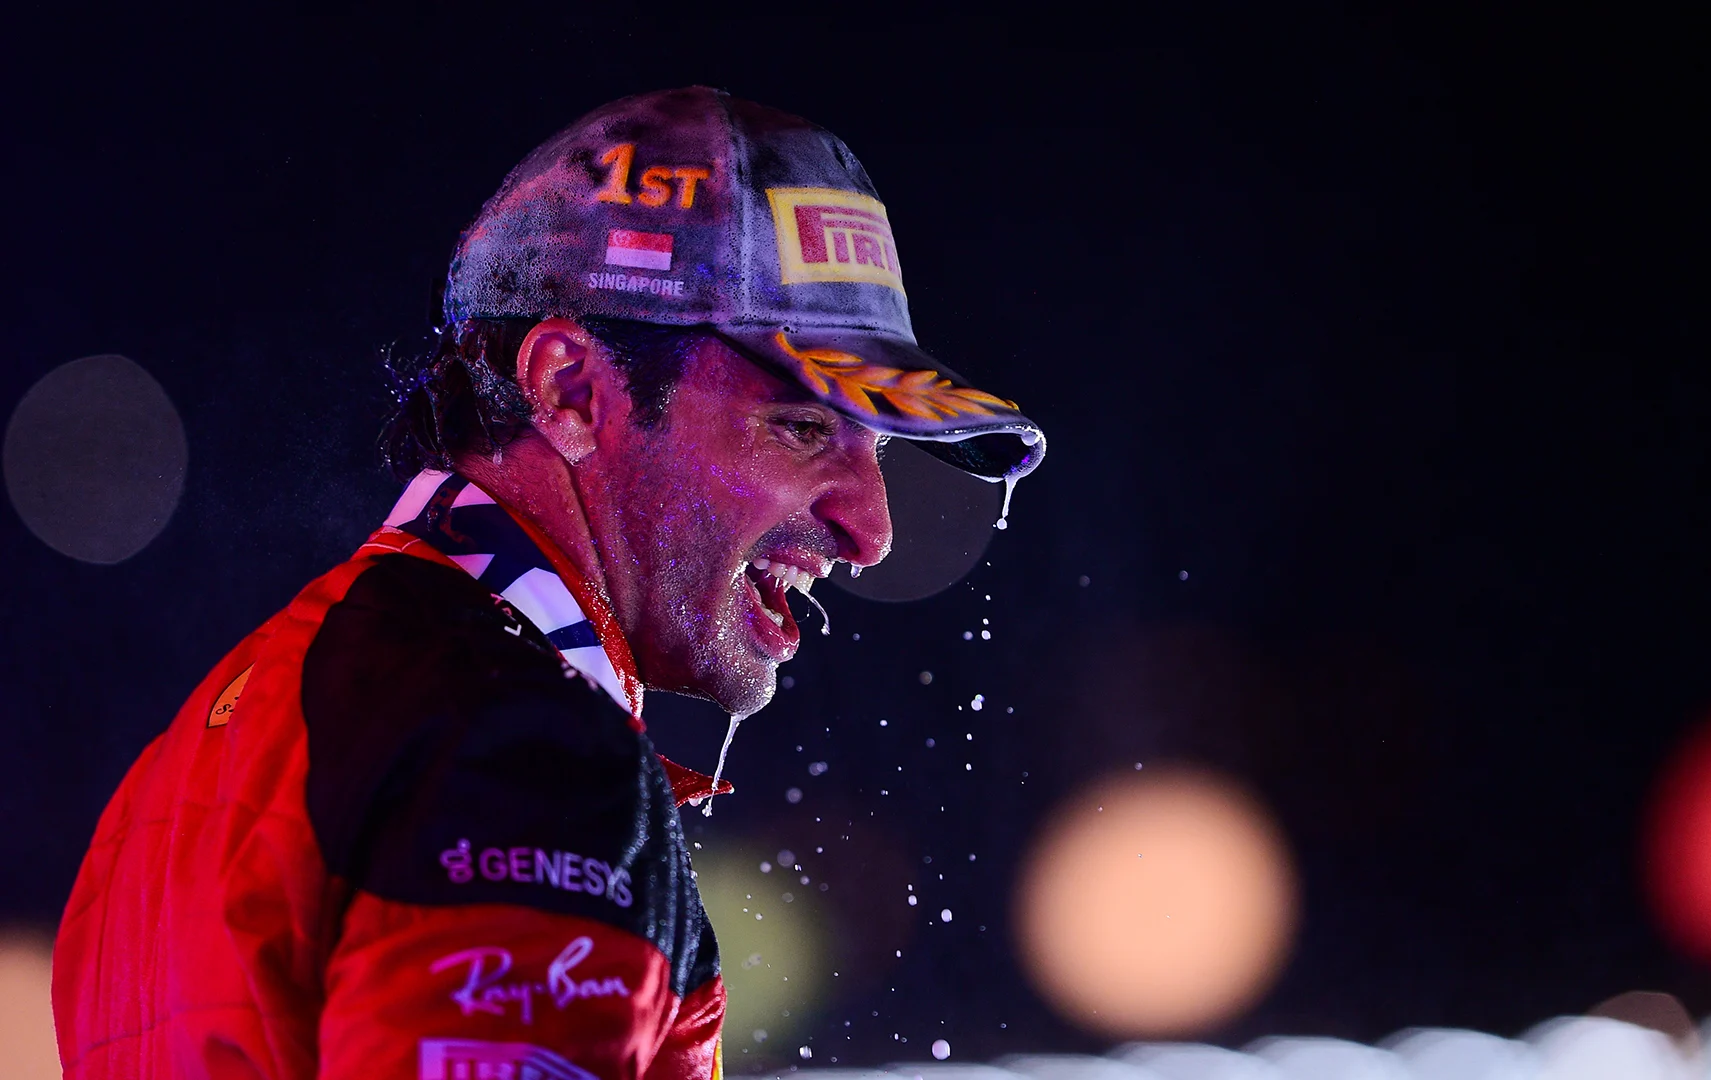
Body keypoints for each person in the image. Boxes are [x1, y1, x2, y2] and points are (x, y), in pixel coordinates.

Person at [51, 86, 1044, 1079]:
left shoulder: (212, 743)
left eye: (876, 446)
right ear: (569, 389)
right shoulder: (526, 757)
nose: (870, 529)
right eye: (803, 428)